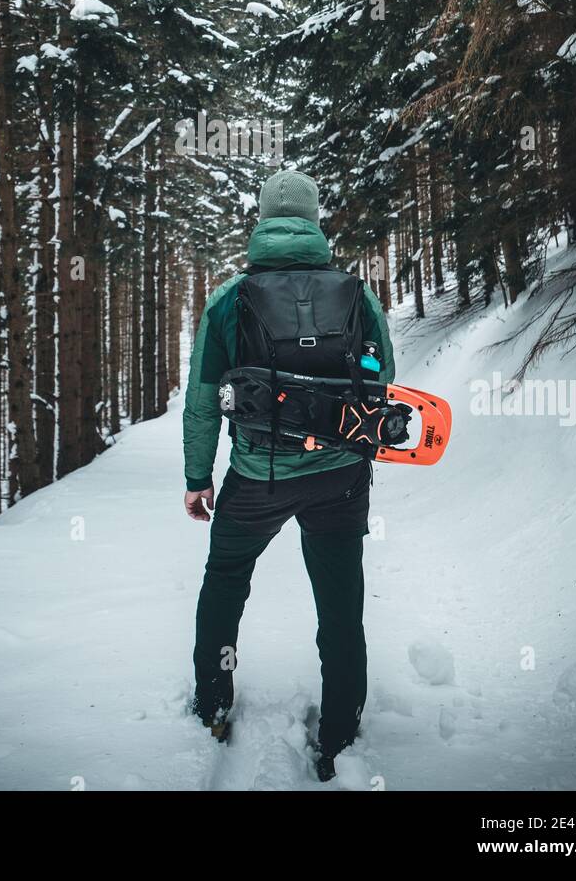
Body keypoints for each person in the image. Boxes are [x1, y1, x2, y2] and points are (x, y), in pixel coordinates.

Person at [183, 169, 395, 780]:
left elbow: (203, 399)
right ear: (314, 220)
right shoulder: (356, 292)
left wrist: (200, 477)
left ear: (263, 220)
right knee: (340, 603)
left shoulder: (230, 297)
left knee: (225, 580)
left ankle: (214, 704)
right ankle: (340, 732)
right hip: (341, 474)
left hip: (258, 474)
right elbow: (381, 387)